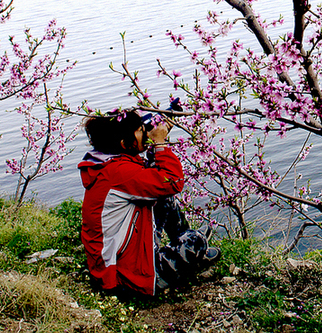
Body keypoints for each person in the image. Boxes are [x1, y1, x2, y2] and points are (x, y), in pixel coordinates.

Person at [78, 109, 219, 296]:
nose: (146, 132)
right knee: (197, 240)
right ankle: (191, 248)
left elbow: (152, 180)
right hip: (127, 279)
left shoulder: (108, 163)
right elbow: (172, 181)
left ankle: (184, 241)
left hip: (118, 263)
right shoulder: (119, 173)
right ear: (124, 143)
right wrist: (159, 144)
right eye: (140, 130)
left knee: (163, 196)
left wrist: (154, 145)